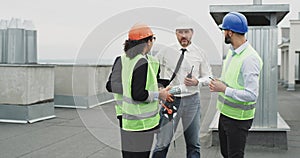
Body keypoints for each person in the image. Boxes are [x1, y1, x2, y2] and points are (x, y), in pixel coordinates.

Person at [106, 23, 171, 158]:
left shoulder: (152, 61)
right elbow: (111, 86)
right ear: (148, 41)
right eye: (152, 40)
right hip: (134, 119)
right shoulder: (123, 60)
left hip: (137, 118)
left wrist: (158, 89)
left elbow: (151, 82)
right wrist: (158, 94)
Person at [152, 16, 212, 158]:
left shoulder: (200, 53)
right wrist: (159, 89)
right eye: (180, 32)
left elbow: (209, 77)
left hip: (192, 101)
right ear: (176, 33)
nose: (183, 36)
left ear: (192, 33)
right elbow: (152, 70)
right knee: (162, 143)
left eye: (186, 32)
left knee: (193, 143)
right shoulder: (166, 51)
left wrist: (197, 82)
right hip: (171, 100)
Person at [209, 12, 263, 158]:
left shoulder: (250, 59)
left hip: (238, 120)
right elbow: (230, 80)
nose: (223, 34)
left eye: (224, 31)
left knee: (235, 156)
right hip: (225, 114)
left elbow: (251, 95)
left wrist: (224, 89)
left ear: (230, 32)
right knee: (226, 154)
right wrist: (218, 83)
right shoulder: (232, 54)